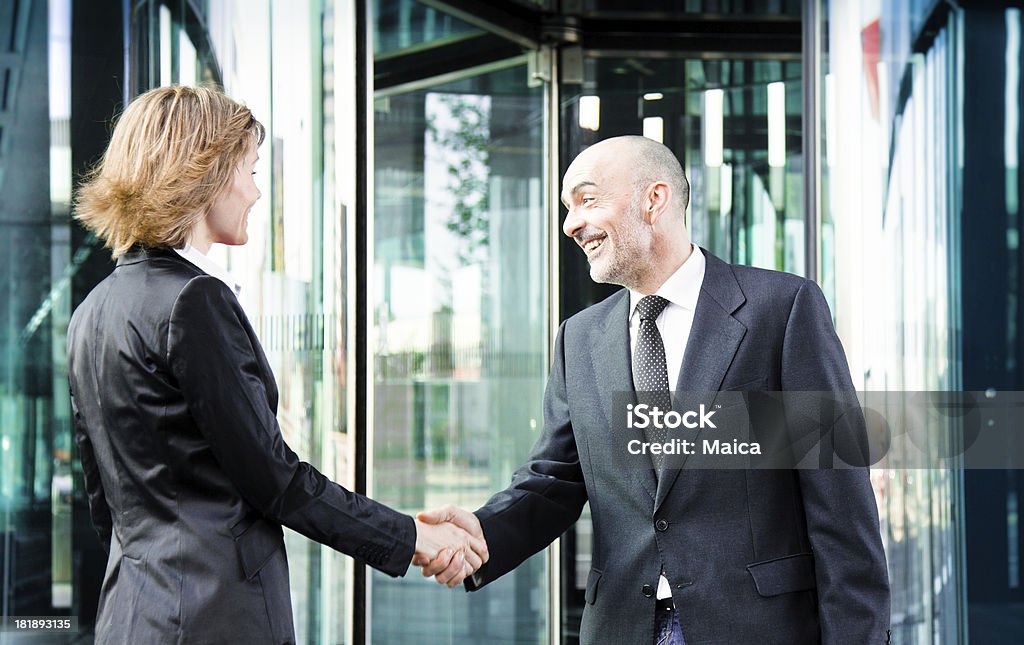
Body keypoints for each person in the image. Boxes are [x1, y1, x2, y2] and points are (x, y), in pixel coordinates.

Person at [417, 136, 890, 644]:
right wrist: (482, 533)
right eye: (567, 208)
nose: (571, 224)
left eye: (587, 199)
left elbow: (839, 502)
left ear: (654, 199)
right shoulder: (579, 337)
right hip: (623, 626)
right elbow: (553, 481)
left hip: (758, 626)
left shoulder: (782, 308)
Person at [68, 85, 486, 645]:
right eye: (251, 170)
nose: (255, 192)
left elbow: (104, 497)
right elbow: (274, 479)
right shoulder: (194, 300)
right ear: (206, 172)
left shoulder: (95, 308)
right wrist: (408, 536)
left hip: (132, 615)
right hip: (215, 618)